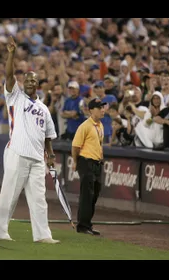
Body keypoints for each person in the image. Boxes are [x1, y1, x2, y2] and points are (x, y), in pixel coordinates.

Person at [0, 36, 60, 244]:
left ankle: (42, 235)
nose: (30, 82)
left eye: (34, 80)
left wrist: (50, 155)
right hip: (17, 152)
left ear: (38, 84)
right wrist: (11, 53)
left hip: (38, 158)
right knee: (10, 194)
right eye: (28, 79)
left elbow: (48, 135)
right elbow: (9, 74)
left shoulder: (43, 109)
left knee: (39, 199)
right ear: (24, 83)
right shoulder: (15, 96)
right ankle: (0, 231)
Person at [71, 97, 105, 235]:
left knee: (94, 194)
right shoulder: (85, 126)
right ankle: (83, 226)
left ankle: (87, 224)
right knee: (87, 194)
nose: (102, 110)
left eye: (103, 107)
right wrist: (76, 162)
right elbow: (75, 146)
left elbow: (99, 144)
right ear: (91, 110)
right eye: (99, 108)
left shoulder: (100, 125)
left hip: (97, 162)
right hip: (86, 161)